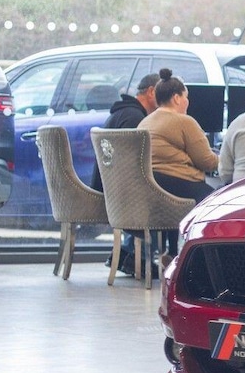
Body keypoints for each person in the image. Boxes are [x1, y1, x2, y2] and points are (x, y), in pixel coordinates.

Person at [140, 69, 218, 260]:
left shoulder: (145, 122)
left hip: (150, 186)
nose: (187, 102)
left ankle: (173, 252)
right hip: (178, 184)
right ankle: (203, 257)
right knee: (216, 199)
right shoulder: (184, 121)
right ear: (176, 98)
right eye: (186, 97)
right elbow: (206, 161)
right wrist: (224, 158)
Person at [92, 71, 161, 273]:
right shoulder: (135, 118)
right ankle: (135, 257)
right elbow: (136, 165)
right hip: (119, 195)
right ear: (151, 92)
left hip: (108, 188)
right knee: (162, 196)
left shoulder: (122, 112)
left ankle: (126, 254)